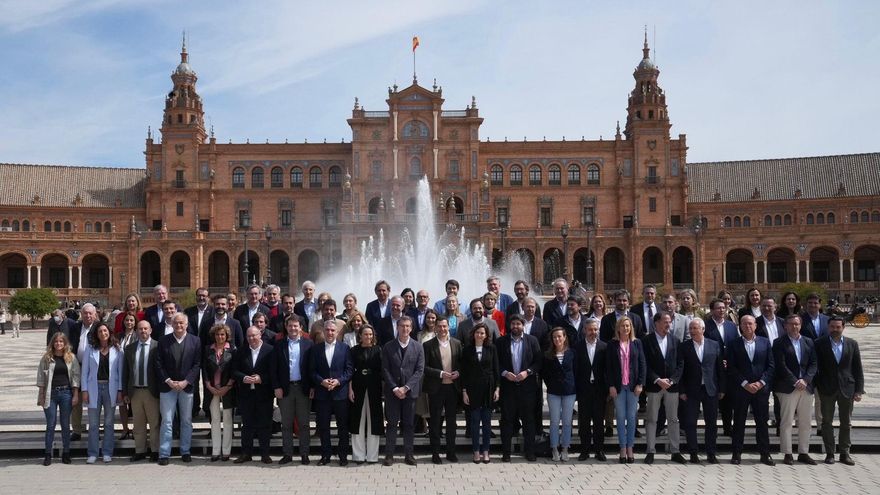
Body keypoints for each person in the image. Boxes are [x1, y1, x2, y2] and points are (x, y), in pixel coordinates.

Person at [673, 318, 725, 465]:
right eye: (691, 328)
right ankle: (693, 453)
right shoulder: (684, 347)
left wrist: (722, 388)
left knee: (711, 423)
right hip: (691, 390)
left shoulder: (714, 345)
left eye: (695, 328)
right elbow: (680, 370)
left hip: (710, 389)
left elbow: (719, 368)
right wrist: (681, 390)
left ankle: (711, 453)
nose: (692, 331)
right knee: (690, 423)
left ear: (703, 329)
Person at [727, 315, 776, 466]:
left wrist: (761, 383)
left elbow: (771, 366)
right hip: (741, 389)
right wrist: (745, 383)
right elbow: (731, 367)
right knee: (739, 422)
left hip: (760, 390)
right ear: (740, 326)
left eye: (750, 323)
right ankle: (736, 453)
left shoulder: (765, 342)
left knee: (761, 422)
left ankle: (765, 453)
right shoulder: (733, 344)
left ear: (755, 325)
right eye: (744, 324)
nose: (747, 326)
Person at [815, 316, 864, 465]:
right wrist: (818, 385)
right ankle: (830, 453)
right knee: (826, 422)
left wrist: (859, 390)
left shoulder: (852, 344)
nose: (835, 330)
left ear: (843, 327)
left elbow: (857, 368)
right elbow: (815, 366)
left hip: (847, 388)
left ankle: (844, 453)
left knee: (846, 422)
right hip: (827, 389)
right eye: (832, 327)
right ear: (828, 327)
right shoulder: (819, 343)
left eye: (838, 327)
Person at [155, 312, 201, 465]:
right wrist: (168, 381)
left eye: (182, 323)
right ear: (172, 324)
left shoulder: (195, 341)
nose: (179, 325)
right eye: (176, 323)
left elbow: (196, 365)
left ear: (186, 325)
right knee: (167, 421)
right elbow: (158, 364)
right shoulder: (163, 341)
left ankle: (185, 451)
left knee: (186, 421)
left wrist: (186, 381)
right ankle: (164, 453)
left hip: (186, 388)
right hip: (167, 387)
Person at [773, 314, 818, 465]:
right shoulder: (779, 342)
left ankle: (803, 452)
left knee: (805, 422)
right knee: (786, 422)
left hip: (806, 387)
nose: (794, 327)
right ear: (785, 326)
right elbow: (780, 365)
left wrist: (805, 380)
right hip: (787, 387)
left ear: (801, 325)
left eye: (797, 324)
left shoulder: (808, 341)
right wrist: (795, 381)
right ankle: (787, 453)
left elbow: (813, 363)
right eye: (791, 324)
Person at [497, 314, 542, 462]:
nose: (515, 326)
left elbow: (538, 362)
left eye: (518, 324)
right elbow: (496, 362)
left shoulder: (532, 341)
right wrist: (504, 373)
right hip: (508, 387)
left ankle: (530, 452)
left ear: (523, 325)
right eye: (513, 324)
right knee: (507, 420)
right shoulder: (501, 342)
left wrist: (527, 372)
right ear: (510, 326)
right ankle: (506, 452)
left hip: (527, 387)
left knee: (529, 421)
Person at [641, 312, 685, 464]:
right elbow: (644, 363)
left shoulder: (675, 340)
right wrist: (657, 379)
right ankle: (650, 451)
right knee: (652, 419)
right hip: (654, 386)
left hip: (672, 387)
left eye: (670, 322)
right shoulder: (646, 341)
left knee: (673, 419)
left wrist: (672, 381)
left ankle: (675, 451)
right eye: (665, 322)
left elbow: (680, 364)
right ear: (656, 323)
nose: (668, 324)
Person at [381, 316, 424, 466]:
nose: (405, 329)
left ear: (411, 328)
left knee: (409, 424)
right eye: (402, 326)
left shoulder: (418, 347)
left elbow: (419, 371)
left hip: (410, 393)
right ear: (397, 328)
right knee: (392, 424)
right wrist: (394, 387)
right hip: (392, 392)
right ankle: (389, 455)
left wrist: (405, 388)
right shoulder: (388, 346)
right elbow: (385, 369)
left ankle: (409, 455)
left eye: (407, 326)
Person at [310, 319, 354, 466]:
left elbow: (349, 370)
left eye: (332, 330)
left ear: (337, 332)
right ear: (323, 331)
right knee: (324, 427)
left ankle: (343, 456)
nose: (329, 332)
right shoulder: (315, 349)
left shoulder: (345, 348)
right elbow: (311, 371)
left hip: (340, 393)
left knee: (343, 426)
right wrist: (321, 381)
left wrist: (338, 381)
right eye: (327, 330)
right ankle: (325, 455)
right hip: (322, 394)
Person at [81, 323, 124, 463]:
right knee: (93, 424)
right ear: (96, 334)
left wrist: (120, 390)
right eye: (100, 331)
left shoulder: (117, 349)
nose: (103, 333)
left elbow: (120, 372)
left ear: (109, 332)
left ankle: (107, 452)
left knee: (108, 423)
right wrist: (84, 390)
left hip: (110, 388)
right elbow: (85, 371)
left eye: (105, 330)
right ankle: (93, 453)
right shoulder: (90, 348)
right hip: (94, 388)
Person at [37, 332, 81, 465]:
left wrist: (75, 394)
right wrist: (41, 395)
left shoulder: (71, 358)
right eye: (56, 342)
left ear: (65, 343)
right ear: (52, 343)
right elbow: (41, 378)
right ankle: (48, 454)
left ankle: (66, 452)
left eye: (61, 342)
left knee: (65, 425)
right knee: (50, 425)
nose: (58, 344)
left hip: (66, 393)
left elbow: (76, 377)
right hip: (51, 394)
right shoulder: (46, 358)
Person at [233, 326, 276, 464]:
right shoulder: (241, 351)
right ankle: (246, 453)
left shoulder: (270, 350)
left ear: (260, 335)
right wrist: (244, 378)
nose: (252, 338)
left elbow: (274, 372)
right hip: (246, 394)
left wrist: (261, 378)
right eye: (249, 336)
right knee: (247, 425)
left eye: (254, 335)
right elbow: (234, 370)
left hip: (264, 394)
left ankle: (265, 454)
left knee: (265, 424)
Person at [274, 316, 313, 465]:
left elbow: (311, 368)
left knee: (304, 424)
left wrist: (312, 387)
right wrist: (276, 387)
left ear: (301, 327)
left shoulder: (308, 344)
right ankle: (287, 454)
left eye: (296, 326)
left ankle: (304, 454)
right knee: (286, 424)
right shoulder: (279, 345)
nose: (293, 329)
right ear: (286, 327)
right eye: (290, 326)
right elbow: (274, 368)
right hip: (285, 389)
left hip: (303, 388)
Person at [606, 316, 646, 464]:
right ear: (618, 328)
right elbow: (608, 367)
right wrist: (611, 385)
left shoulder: (637, 343)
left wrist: (640, 384)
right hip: (618, 387)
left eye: (628, 326)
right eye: (623, 326)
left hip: (633, 386)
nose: (626, 328)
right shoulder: (612, 344)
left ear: (631, 328)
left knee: (631, 418)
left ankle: (630, 448)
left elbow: (642, 365)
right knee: (621, 418)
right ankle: (622, 448)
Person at [423, 316, 462, 464]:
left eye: (444, 326)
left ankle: (451, 453)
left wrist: (458, 372)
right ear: (435, 328)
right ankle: (435, 453)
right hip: (436, 389)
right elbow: (424, 367)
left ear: (448, 327)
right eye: (439, 326)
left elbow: (462, 364)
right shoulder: (428, 345)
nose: (442, 329)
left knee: (451, 422)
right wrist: (440, 374)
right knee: (435, 422)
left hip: (452, 388)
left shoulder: (457, 344)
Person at [122, 320, 160, 463]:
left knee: (154, 423)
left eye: (145, 329)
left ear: (150, 330)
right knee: (138, 424)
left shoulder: (157, 346)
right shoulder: (130, 348)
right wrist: (125, 392)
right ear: (136, 331)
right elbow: (126, 372)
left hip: (152, 391)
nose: (143, 331)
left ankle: (155, 451)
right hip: (135, 392)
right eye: (140, 329)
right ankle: (140, 451)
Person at [460, 322, 499, 464]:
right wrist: (464, 391)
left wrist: (497, 389)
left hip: (488, 389)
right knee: (475, 422)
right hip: (472, 390)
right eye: (477, 332)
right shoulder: (467, 350)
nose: (480, 335)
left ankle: (486, 451)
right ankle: (476, 451)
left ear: (486, 335)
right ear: (473, 334)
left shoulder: (492, 348)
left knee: (487, 423)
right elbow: (463, 372)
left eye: (482, 333)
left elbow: (496, 370)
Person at [704, 298, 739, 436]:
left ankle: (727, 427)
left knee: (728, 400)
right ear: (712, 310)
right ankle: (712, 429)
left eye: (723, 308)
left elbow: (736, 345)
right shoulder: (706, 326)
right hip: (712, 368)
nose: (721, 310)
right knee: (714, 399)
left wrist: (729, 361)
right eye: (718, 308)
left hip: (729, 369)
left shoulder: (731, 326)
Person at [349, 325, 383, 464]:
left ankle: (372, 456)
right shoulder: (353, 351)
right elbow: (349, 370)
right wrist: (349, 389)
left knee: (374, 421)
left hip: (374, 388)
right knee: (358, 421)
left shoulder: (378, 350)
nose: (368, 337)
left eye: (370, 334)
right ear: (360, 335)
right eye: (365, 334)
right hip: (358, 387)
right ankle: (358, 455)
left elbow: (382, 370)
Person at [574, 318, 607, 461]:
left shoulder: (605, 347)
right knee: (584, 422)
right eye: (590, 329)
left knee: (599, 422)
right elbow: (575, 370)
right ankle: (585, 450)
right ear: (584, 331)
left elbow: (608, 370)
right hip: (584, 389)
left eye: (595, 329)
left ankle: (599, 450)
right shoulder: (577, 347)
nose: (593, 332)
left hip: (599, 390)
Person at [203, 323, 236, 462]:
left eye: (222, 334)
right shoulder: (207, 350)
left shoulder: (233, 350)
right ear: (213, 336)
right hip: (212, 390)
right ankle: (215, 451)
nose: (220, 337)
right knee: (215, 420)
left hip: (227, 389)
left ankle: (226, 451)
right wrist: (208, 385)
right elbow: (204, 369)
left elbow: (235, 370)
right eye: (217, 334)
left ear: (227, 336)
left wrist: (228, 386)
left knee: (228, 420)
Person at [543, 327, 577, 462]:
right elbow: (545, 373)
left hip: (569, 391)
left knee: (567, 422)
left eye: (559, 336)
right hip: (554, 392)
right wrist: (551, 384)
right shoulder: (548, 355)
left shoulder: (572, 353)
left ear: (564, 337)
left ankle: (565, 448)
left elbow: (576, 371)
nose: (557, 339)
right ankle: (554, 448)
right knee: (554, 421)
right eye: (554, 337)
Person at [69, 302, 99, 440]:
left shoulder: (100, 328)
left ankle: (94, 429)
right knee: (76, 399)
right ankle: (77, 430)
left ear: (95, 314)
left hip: (95, 369)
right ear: (81, 314)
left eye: (90, 313)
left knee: (94, 400)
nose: (87, 315)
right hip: (78, 367)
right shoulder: (75, 327)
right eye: (85, 313)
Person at [117, 312, 139, 440]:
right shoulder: (118, 336)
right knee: (121, 402)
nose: (129, 322)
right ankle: (125, 429)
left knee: (134, 403)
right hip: (120, 371)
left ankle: (137, 430)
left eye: (131, 320)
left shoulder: (138, 335)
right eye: (127, 320)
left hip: (133, 372)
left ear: (135, 322)